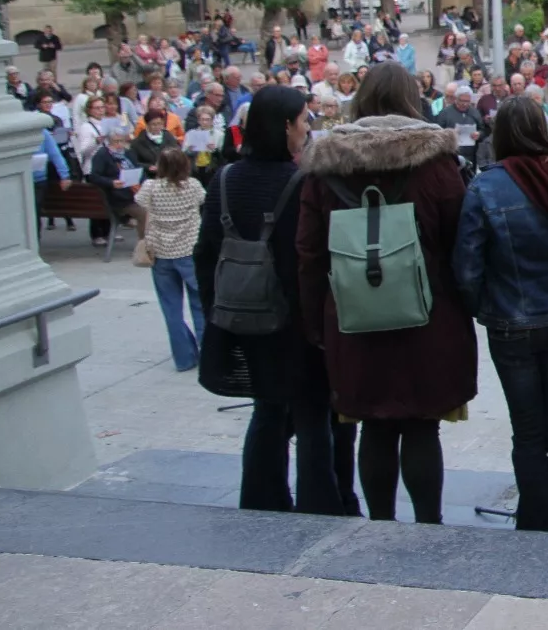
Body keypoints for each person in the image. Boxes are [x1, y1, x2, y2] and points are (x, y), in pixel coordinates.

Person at [296, 62, 477, 524]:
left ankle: (380, 523)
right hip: (428, 314)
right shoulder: (437, 162)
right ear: (412, 99)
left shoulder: (324, 164)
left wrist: (316, 321)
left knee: (374, 427)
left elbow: (310, 252)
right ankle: (428, 524)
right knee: (421, 427)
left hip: (353, 315)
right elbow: (460, 240)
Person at [194, 85, 347, 515]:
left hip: (245, 319)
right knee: (313, 418)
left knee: (266, 412)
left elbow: (205, 254)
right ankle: (320, 506)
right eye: (303, 121)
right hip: (296, 323)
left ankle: (261, 502)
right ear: (284, 126)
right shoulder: (302, 183)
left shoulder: (225, 179)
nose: (307, 129)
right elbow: (314, 258)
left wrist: (217, 310)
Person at [454, 96, 548, 534]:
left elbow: (467, 267)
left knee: (528, 430)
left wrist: (482, 308)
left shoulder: (486, 186)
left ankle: (537, 519)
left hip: (510, 321)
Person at [138, 149, 207, 372]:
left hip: (160, 252)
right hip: (188, 249)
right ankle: (207, 354)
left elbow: (140, 204)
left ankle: (184, 358)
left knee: (171, 309)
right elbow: (203, 202)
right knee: (199, 304)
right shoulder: (193, 186)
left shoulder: (150, 187)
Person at [86, 125, 149, 242]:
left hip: (137, 193)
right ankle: (145, 246)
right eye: (116, 141)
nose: (120, 144)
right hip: (120, 199)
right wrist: (111, 182)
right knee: (144, 213)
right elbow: (93, 177)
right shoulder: (102, 155)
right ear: (109, 142)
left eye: (122, 141)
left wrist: (144, 182)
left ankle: (156, 244)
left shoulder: (128, 153)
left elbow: (139, 170)